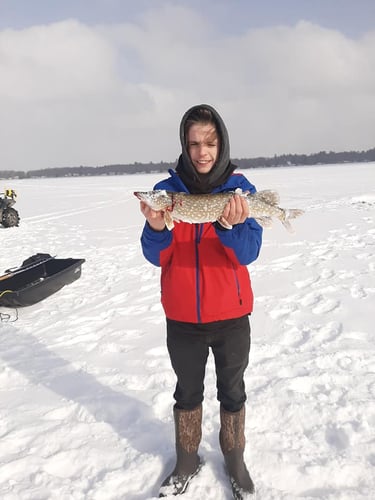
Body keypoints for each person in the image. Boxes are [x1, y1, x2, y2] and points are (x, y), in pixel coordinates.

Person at [138, 104, 263, 498]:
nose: (202, 152)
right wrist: (156, 227)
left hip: (231, 317)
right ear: (184, 145)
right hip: (183, 319)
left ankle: (235, 458)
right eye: (194, 143)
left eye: (210, 142)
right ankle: (186, 458)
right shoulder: (168, 193)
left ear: (221, 143)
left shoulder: (241, 191)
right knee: (187, 392)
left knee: (233, 390)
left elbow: (248, 252)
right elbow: (155, 255)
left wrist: (229, 225)